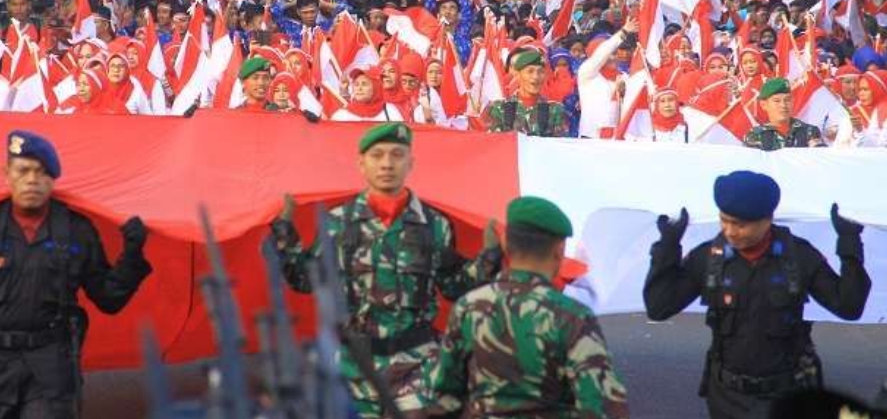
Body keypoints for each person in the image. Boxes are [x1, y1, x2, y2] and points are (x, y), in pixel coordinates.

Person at [268, 123, 503, 419]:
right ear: (361, 164)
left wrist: (489, 257)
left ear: (411, 163)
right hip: (355, 367)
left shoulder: (434, 225)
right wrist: (284, 235)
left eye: (396, 155)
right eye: (377, 155)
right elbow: (304, 280)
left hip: (417, 367)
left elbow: (453, 286)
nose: (387, 164)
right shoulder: (337, 223)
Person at [0, 130, 152, 418]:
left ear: (53, 179)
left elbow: (108, 298)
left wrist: (132, 255)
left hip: (51, 366)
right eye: (23, 170)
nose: (32, 180)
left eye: (41, 172)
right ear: (7, 175)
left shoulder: (76, 231)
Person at [643, 171, 870, 419]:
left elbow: (849, 307)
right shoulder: (709, 258)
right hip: (727, 398)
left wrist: (849, 242)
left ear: (767, 219)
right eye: (724, 221)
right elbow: (659, 307)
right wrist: (668, 244)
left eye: (740, 224)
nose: (730, 231)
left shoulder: (798, 257)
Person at [427, 195, 630, 419]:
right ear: (559, 250)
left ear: (505, 244)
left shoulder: (469, 308)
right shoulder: (571, 316)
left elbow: (444, 398)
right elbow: (603, 405)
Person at [484, 49, 569, 136]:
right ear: (518, 74)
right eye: (530, 71)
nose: (536, 77)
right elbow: (493, 144)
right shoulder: (499, 108)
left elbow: (560, 146)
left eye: (540, 72)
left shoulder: (555, 110)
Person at [577, 18, 638, 139]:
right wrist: (623, 32)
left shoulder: (623, 77)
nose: (613, 56)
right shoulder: (587, 74)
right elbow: (600, 55)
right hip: (590, 137)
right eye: (610, 53)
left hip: (615, 139)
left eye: (615, 52)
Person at [743, 78, 823, 150]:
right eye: (777, 101)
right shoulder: (755, 135)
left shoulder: (809, 131)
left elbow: (819, 160)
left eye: (787, 100)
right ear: (764, 105)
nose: (783, 105)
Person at [332, 67, 403, 122]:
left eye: (364, 84)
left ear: (376, 87)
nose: (359, 88)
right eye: (356, 84)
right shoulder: (342, 115)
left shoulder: (390, 111)